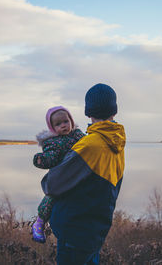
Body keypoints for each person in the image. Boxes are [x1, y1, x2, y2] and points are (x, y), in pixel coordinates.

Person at [41, 83, 126, 264]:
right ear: (114, 111)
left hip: (75, 232)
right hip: (95, 230)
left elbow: (52, 184)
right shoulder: (117, 142)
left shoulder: (89, 145)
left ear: (88, 112)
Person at [31, 106, 86, 243]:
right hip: (60, 177)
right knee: (51, 197)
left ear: (71, 121)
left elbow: (88, 144)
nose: (63, 126)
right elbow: (50, 157)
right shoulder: (53, 142)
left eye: (66, 121)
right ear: (52, 128)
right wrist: (41, 160)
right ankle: (40, 222)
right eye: (58, 124)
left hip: (76, 174)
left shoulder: (78, 135)